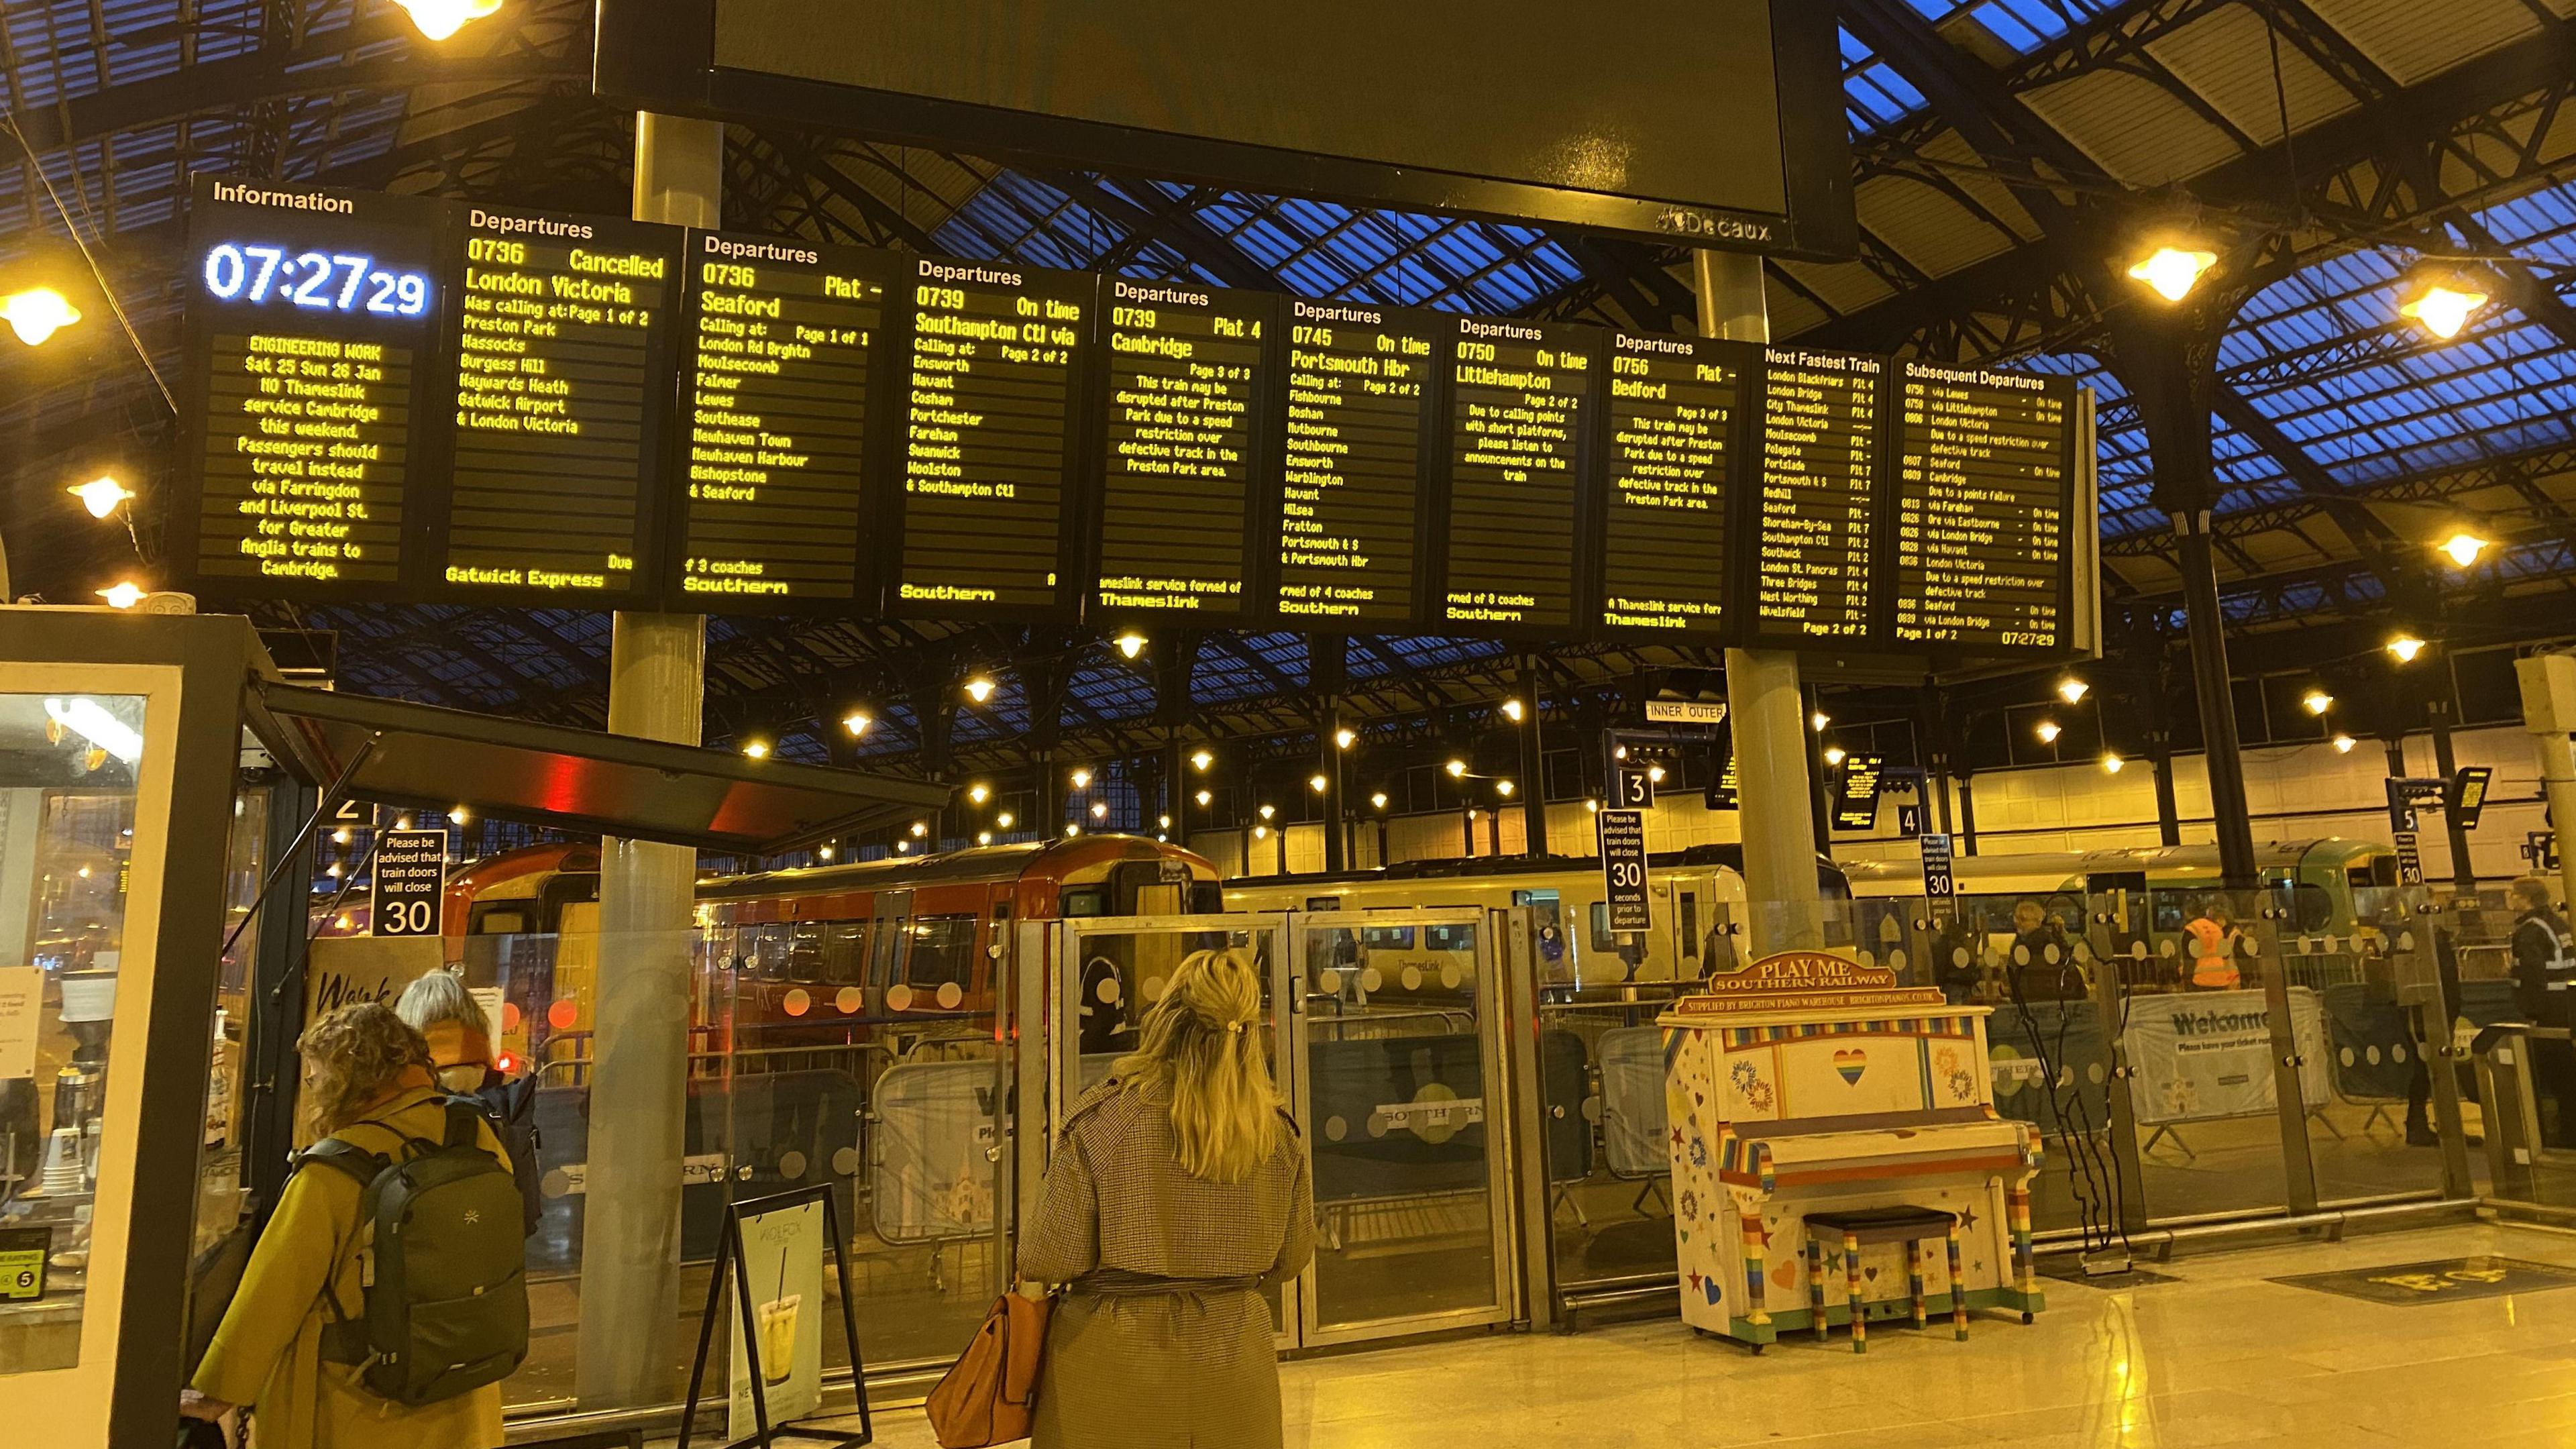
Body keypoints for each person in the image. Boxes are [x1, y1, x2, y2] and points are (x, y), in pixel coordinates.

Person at [1018, 949, 1314, 1449]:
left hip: (1113, 1365)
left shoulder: (1104, 1120)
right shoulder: (1276, 1135)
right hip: (1235, 1359)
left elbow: (1047, 1256)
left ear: (1165, 1021)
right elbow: (1292, 1257)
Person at [181, 1002, 511, 1448]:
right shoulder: (474, 1135)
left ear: (345, 1080)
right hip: (462, 1395)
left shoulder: (335, 1169)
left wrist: (219, 1390)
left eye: (316, 1079)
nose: (314, 1091)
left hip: (359, 1407)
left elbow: (273, 1295)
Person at [394, 970, 543, 1236]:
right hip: (499, 1259)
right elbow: (526, 1211)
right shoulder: (509, 1092)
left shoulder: (409, 1095)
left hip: (426, 1255)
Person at [2508, 877, 2576, 1146]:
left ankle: (2564, 1136)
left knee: (2555, 1077)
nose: (2508, 897)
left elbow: (2533, 976)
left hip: (2548, 1012)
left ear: (2524, 899)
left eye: (2512, 894)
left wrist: (2532, 1012)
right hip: (2566, 1006)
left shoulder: (2529, 932)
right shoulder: (2557, 924)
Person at [2006, 898, 2080, 1001]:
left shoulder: (2041, 945)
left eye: (2023, 919)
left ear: (2038, 922)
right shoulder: (2022, 942)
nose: (2018, 923)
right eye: (2016, 918)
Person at [2184, 902, 2242, 989]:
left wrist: (2186, 980)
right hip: (2221, 978)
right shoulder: (2217, 929)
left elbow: (2189, 959)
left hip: (2201, 979)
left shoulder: (2191, 929)